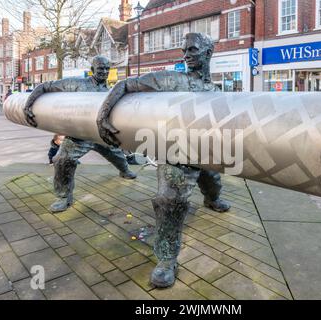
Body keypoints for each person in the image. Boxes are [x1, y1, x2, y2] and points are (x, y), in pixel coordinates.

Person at [97, 33, 231, 288]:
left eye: (192, 49)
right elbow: (126, 85)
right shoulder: (173, 79)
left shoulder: (214, 90)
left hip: (204, 151)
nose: (186, 55)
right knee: (169, 199)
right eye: (184, 50)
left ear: (208, 53)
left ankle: (212, 199)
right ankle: (167, 259)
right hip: (176, 153)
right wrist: (102, 117)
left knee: (212, 180)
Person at [23, 56, 137, 213]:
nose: (104, 71)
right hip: (80, 134)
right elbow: (45, 86)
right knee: (62, 159)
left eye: (106, 69)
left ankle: (124, 170)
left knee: (117, 155)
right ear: (92, 70)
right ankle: (64, 197)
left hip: (100, 135)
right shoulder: (77, 83)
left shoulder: (110, 91)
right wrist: (28, 104)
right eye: (100, 69)